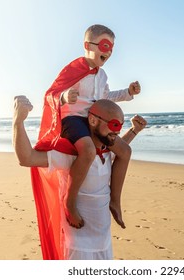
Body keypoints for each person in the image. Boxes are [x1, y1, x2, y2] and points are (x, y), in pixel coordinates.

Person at [13, 96, 147, 259]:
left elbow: (121, 148)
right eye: (114, 124)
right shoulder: (70, 154)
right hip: (79, 245)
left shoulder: (106, 151)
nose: (117, 131)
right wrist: (18, 122)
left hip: (103, 242)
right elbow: (27, 158)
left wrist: (134, 130)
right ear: (92, 120)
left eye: (120, 125)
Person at [37, 24, 141, 231]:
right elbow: (52, 93)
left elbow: (107, 98)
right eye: (104, 45)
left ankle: (115, 200)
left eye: (111, 47)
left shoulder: (102, 76)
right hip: (73, 120)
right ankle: (70, 201)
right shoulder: (73, 69)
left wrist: (128, 93)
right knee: (88, 150)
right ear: (88, 45)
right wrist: (65, 97)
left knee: (125, 151)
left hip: (94, 121)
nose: (108, 51)